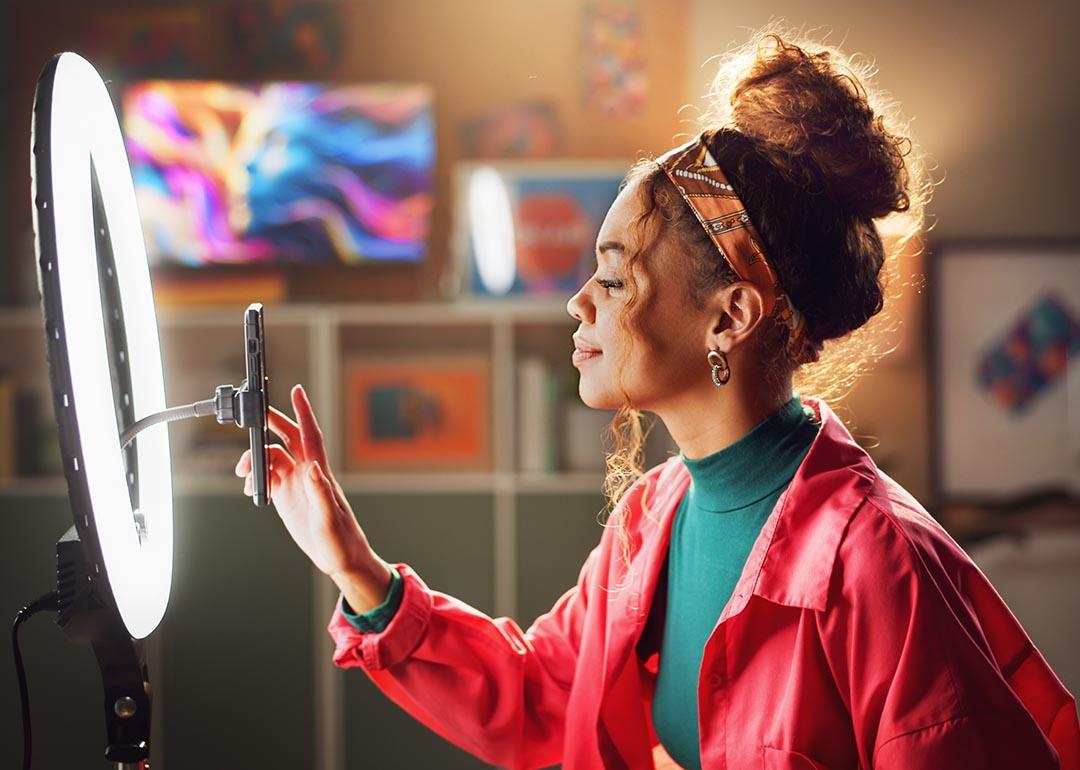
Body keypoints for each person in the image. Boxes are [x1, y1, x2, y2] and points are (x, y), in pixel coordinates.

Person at [234, 26, 1080, 770]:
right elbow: (539, 700)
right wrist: (358, 569)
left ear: (731, 317)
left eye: (612, 275)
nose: (578, 302)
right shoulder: (654, 516)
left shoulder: (876, 562)